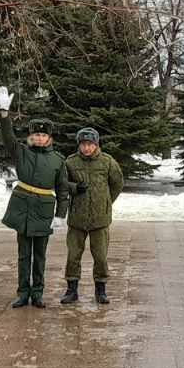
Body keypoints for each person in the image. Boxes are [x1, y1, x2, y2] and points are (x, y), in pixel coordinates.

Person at [0, 85, 70, 309]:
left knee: (40, 256)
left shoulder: (58, 160)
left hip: (43, 209)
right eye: (36, 134)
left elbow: (63, 189)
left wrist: (60, 215)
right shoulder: (22, 152)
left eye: (43, 135)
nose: (39, 138)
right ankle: (22, 293)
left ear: (49, 138)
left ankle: (37, 293)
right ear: (31, 136)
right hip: (23, 207)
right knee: (23, 254)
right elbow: (7, 137)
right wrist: (4, 114)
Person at [59, 128, 124, 304]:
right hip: (77, 218)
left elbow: (117, 183)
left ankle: (100, 290)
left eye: (90, 144)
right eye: (83, 144)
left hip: (99, 220)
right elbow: (62, 184)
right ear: (79, 145)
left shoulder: (107, 161)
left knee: (101, 257)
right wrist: (74, 188)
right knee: (73, 255)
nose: (87, 148)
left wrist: (106, 202)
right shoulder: (70, 162)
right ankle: (72, 290)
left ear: (96, 145)